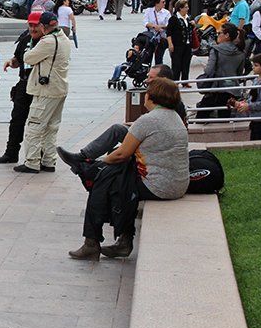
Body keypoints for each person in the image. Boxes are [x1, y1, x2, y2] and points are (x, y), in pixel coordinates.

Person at [58, 77, 189, 260]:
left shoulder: (148, 120)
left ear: (151, 97)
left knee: (104, 179)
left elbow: (122, 154)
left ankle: (92, 242)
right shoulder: (174, 116)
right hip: (176, 183)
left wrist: (101, 163)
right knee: (117, 146)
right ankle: (118, 241)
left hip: (158, 185)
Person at [14, 12, 70, 173]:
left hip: (46, 90)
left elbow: (28, 58)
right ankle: (48, 161)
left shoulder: (48, 42)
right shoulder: (64, 39)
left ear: (43, 26)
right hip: (59, 89)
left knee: (34, 126)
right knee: (51, 127)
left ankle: (32, 162)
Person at [0, 11, 45, 164]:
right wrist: (11, 62)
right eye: (30, 25)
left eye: (36, 25)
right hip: (24, 84)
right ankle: (11, 153)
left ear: (43, 26)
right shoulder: (25, 39)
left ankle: (40, 156)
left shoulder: (47, 42)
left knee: (38, 122)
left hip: (40, 86)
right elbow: (18, 60)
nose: (33, 29)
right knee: (17, 119)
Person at [195, 22, 245, 119]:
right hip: (232, 90)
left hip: (216, 88)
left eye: (219, 33)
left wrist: (205, 67)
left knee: (201, 116)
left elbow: (208, 71)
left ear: (226, 35)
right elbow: (239, 73)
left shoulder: (216, 50)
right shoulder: (240, 52)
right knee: (225, 117)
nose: (217, 35)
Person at [232, 52, 261, 140]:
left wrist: (249, 106)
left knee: (257, 141)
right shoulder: (256, 80)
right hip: (256, 117)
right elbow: (253, 97)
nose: (253, 67)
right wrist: (243, 103)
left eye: (256, 65)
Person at [166, 0, 194, 83]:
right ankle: (175, 81)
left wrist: (193, 25)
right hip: (177, 44)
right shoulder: (174, 19)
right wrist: (170, 44)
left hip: (187, 44)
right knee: (176, 64)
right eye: (185, 7)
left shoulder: (188, 18)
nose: (187, 9)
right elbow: (169, 32)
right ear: (180, 8)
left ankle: (185, 81)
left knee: (186, 63)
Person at [143, 0, 171, 65]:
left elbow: (169, 25)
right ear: (157, 3)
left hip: (162, 37)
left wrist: (160, 27)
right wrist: (154, 26)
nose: (165, 3)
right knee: (147, 56)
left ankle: (158, 69)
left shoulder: (166, 13)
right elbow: (145, 22)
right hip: (151, 36)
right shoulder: (148, 11)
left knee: (159, 56)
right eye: (163, 2)